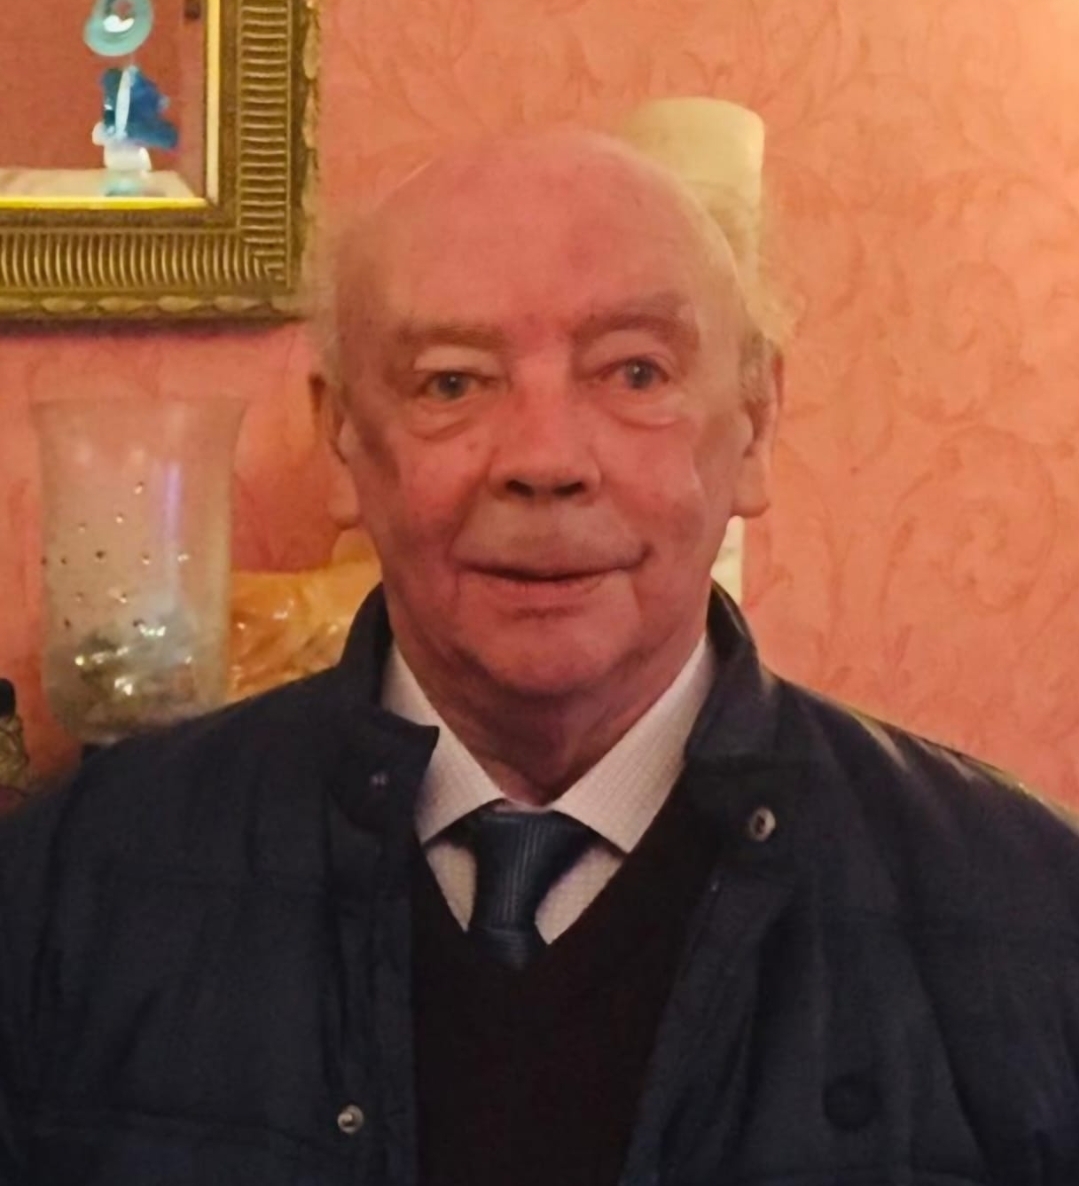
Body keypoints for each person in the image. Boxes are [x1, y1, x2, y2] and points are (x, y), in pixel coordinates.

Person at [3, 116, 1079, 1186]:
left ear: (753, 423)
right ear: (342, 440)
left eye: (634, 373)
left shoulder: (1032, 914)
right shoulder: (67, 888)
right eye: (452, 382)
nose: (545, 458)